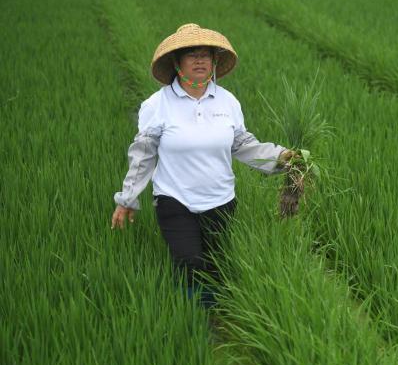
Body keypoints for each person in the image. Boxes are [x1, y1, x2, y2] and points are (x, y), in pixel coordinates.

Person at [111, 23, 297, 307]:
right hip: (175, 199)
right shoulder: (157, 104)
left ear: (214, 62)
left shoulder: (227, 101)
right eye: (191, 54)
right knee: (188, 261)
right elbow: (143, 155)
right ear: (177, 63)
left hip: (221, 199)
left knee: (213, 264)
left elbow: (242, 144)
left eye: (205, 55)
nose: (200, 60)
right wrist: (127, 199)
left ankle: (210, 316)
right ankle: (187, 317)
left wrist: (281, 158)